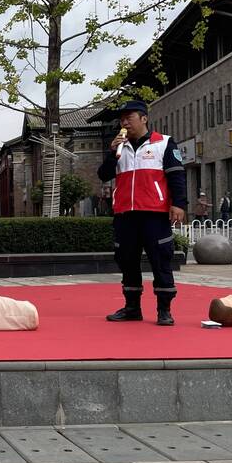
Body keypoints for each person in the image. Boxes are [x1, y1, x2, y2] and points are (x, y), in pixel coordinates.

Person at [98, 100, 187, 326]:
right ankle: (132, 308)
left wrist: (179, 204)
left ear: (144, 118)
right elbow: (103, 175)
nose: (125, 123)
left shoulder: (163, 143)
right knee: (127, 260)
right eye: (122, 119)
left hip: (154, 213)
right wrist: (112, 153)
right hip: (125, 214)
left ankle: (164, 310)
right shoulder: (120, 148)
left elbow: (176, 175)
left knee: (160, 260)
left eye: (129, 118)